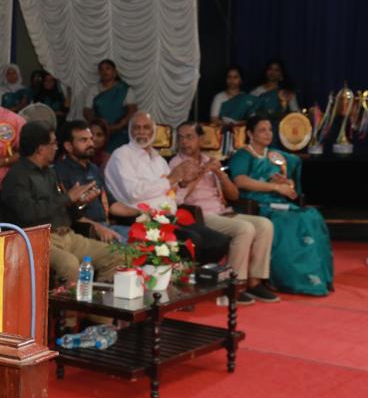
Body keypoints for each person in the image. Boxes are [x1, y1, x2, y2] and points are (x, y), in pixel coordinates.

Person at [0, 122, 120, 285]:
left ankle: (97, 299)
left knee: (115, 254)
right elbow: (28, 214)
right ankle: (68, 302)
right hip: (37, 240)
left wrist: (80, 202)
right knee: (69, 265)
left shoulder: (49, 172)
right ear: (40, 149)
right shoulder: (17, 177)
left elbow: (63, 208)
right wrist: (67, 198)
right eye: (53, 143)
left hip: (67, 235)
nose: (56, 147)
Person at [104, 112, 231, 265]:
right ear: (130, 131)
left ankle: (193, 274)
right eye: (137, 128)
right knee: (192, 240)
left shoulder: (158, 160)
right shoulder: (122, 155)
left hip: (171, 217)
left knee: (219, 242)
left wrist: (183, 184)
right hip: (141, 219)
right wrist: (171, 179)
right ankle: (184, 275)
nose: (142, 132)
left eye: (146, 127)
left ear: (154, 131)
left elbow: (175, 197)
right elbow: (133, 193)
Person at [171, 122, 277, 304]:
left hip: (223, 211)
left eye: (189, 137)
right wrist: (199, 175)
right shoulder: (176, 164)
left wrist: (220, 174)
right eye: (180, 137)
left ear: (200, 139)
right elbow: (177, 198)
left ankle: (255, 282)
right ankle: (233, 285)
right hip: (200, 215)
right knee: (245, 229)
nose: (184, 142)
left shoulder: (209, 160)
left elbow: (234, 195)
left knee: (265, 225)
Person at [229, 115, 333, 296]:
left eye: (270, 130)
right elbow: (240, 181)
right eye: (262, 130)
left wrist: (285, 183)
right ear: (250, 134)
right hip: (257, 204)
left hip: (278, 201)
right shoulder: (243, 155)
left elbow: (289, 184)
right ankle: (289, 279)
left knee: (310, 216)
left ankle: (315, 277)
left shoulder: (275, 156)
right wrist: (275, 187)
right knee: (289, 222)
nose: (268, 134)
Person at [54, 120, 139, 242]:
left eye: (91, 139)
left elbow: (112, 205)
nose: (91, 143)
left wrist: (143, 214)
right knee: (131, 247)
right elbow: (68, 214)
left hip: (107, 226)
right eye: (83, 140)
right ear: (68, 146)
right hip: (86, 231)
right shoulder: (60, 171)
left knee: (148, 237)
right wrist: (97, 228)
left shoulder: (93, 168)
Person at [83, 59, 137, 152]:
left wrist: (119, 125)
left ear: (115, 72)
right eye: (101, 69)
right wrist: (98, 126)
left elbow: (132, 110)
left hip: (120, 133)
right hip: (99, 134)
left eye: (108, 68)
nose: (104, 72)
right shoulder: (94, 89)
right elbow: (86, 110)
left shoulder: (124, 89)